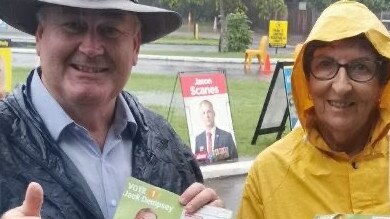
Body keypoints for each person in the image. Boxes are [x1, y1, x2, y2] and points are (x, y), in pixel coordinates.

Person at [0, 0, 223, 218]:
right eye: (73, 26)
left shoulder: (167, 145)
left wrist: (208, 214)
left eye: (110, 30)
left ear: (135, 46)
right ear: (40, 36)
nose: (91, 48)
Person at [237, 1, 390, 218]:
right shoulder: (269, 173)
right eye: (326, 65)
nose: (341, 86)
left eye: (361, 67)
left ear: (382, 83)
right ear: (306, 80)